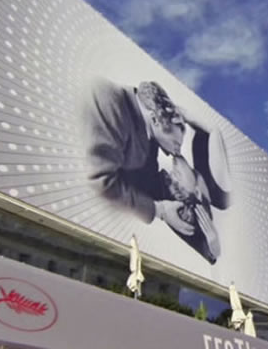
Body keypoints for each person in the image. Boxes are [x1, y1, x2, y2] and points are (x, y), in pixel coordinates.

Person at [83, 79, 230, 264]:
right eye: (177, 143)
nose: (174, 152)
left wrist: (212, 246)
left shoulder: (150, 154)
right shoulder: (117, 105)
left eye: (172, 178)